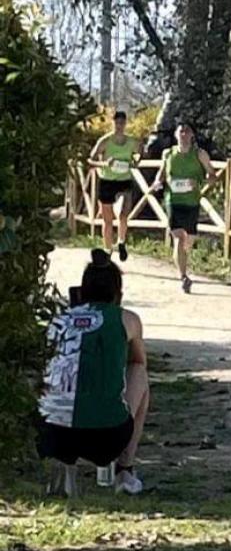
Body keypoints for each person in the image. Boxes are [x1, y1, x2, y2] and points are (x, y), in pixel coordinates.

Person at [38, 249, 150, 495]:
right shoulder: (127, 319)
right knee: (140, 374)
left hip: (52, 434)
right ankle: (125, 469)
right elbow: (138, 360)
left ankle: (63, 467)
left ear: (82, 290)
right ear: (117, 292)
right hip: (106, 438)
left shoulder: (59, 320)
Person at [152, 122, 216, 293]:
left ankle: (183, 259)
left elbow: (212, 175)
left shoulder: (200, 154)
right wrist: (158, 182)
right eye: (181, 131)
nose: (184, 134)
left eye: (187, 131)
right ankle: (183, 276)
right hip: (173, 199)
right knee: (179, 238)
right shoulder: (168, 153)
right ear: (175, 135)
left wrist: (199, 182)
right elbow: (162, 172)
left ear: (192, 135)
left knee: (190, 238)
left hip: (192, 201)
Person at [87, 110, 141, 261]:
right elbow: (90, 160)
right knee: (107, 220)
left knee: (124, 215)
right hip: (107, 181)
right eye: (117, 123)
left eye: (122, 123)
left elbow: (140, 152)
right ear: (113, 123)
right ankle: (107, 250)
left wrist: (136, 161)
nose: (119, 126)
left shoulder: (131, 142)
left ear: (125, 124)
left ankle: (121, 242)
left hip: (124, 181)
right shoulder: (105, 141)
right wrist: (104, 163)